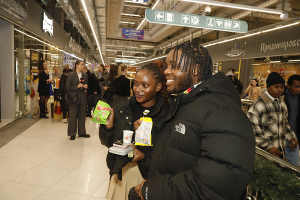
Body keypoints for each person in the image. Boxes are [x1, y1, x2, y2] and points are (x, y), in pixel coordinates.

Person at [133, 42, 255, 200]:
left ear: (196, 69)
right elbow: (178, 154)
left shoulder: (222, 110)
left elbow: (221, 181)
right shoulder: (184, 102)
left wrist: (156, 191)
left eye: (174, 66)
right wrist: (147, 151)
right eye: (166, 67)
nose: (166, 72)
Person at [99, 62, 169, 200]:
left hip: (145, 178)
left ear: (158, 86)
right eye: (136, 84)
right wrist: (108, 127)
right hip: (120, 172)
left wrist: (143, 156)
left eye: (145, 85)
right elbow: (109, 144)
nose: (138, 89)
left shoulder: (165, 115)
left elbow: (166, 156)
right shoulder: (123, 108)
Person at [247, 72, 298, 162]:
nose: (280, 90)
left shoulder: (282, 103)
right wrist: (268, 147)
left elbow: (285, 125)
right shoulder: (259, 104)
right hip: (262, 155)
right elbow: (251, 129)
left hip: (279, 153)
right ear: (268, 87)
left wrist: (291, 137)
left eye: (282, 87)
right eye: (276, 86)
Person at [66, 60, 90, 140]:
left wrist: (86, 86)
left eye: (83, 64)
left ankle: (82, 132)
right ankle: (72, 133)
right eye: (81, 64)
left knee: (82, 116)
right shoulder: (71, 75)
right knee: (72, 116)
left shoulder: (85, 75)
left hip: (82, 97)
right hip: (74, 98)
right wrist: (77, 86)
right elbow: (67, 87)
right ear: (77, 65)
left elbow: (86, 85)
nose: (83, 66)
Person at [284, 74, 300, 166]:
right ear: (288, 85)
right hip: (279, 134)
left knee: (295, 165)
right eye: (296, 86)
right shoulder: (281, 97)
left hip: (293, 136)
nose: (298, 89)